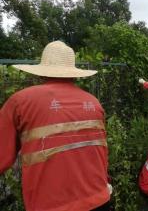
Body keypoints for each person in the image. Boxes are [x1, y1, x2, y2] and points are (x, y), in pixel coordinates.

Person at [0, 41, 112, 211]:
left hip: (52, 205)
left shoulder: (20, 101)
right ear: (74, 73)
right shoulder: (93, 102)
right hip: (99, 199)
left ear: (41, 73)